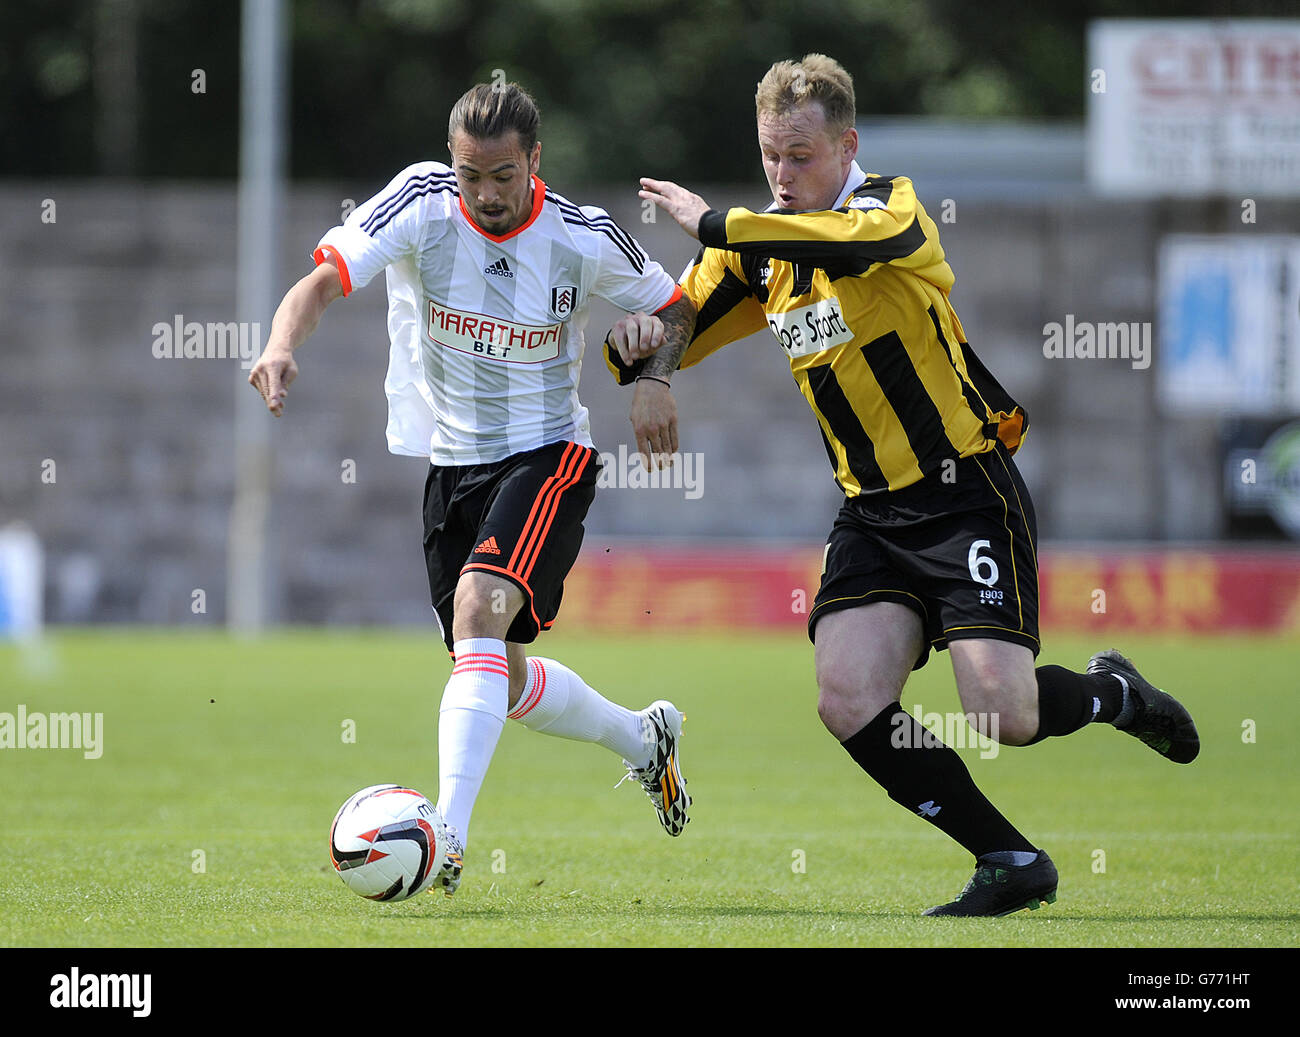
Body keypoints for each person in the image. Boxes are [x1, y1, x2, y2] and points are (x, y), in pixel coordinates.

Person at [608, 53, 1199, 916]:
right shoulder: (761, 250)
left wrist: (716, 224)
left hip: (965, 492)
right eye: (771, 154)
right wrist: (641, 354)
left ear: (848, 144)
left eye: (801, 155)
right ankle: (1009, 857)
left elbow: (864, 245)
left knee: (1004, 711)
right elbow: (681, 322)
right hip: (872, 512)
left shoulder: (892, 208)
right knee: (846, 695)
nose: (782, 174)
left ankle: (1113, 692)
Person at [248, 80, 697, 898]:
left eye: (502, 175)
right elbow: (320, 281)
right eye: (470, 175)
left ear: (536, 161)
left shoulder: (582, 236)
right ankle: (643, 739)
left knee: (479, 609)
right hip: (452, 464)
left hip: (548, 453)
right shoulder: (420, 203)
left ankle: (446, 837)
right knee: (497, 664)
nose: (485, 194)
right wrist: (279, 343)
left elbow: (676, 307)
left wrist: (653, 377)